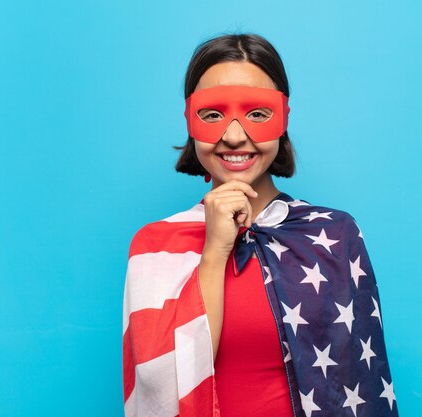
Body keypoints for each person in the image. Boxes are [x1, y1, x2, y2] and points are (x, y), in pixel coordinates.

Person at [122, 33, 399, 417]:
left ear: (284, 118)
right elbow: (161, 386)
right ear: (189, 120)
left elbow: (356, 386)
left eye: (257, 113)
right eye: (213, 114)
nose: (235, 136)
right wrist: (215, 252)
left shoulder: (334, 235)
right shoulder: (156, 244)